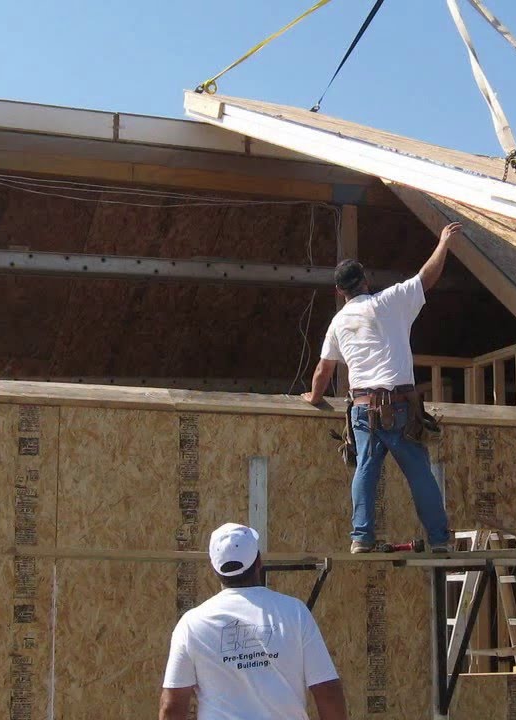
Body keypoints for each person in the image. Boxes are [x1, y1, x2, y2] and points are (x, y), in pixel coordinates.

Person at [300, 223, 461, 553]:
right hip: (399, 404)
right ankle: (440, 539)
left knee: (365, 472)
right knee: (419, 473)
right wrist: (443, 244)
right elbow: (425, 278)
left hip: (362, 408)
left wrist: (314, 397)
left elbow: (323, 370)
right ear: (365, 281)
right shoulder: (389, 302)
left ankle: (361, 537)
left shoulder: (338, 322)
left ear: (339, 292)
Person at [159, 523, 347, 720]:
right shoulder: (295, 612)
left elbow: (172, 706)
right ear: (258, 561)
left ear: (213, 568)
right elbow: (328, 693)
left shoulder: (192, 623)